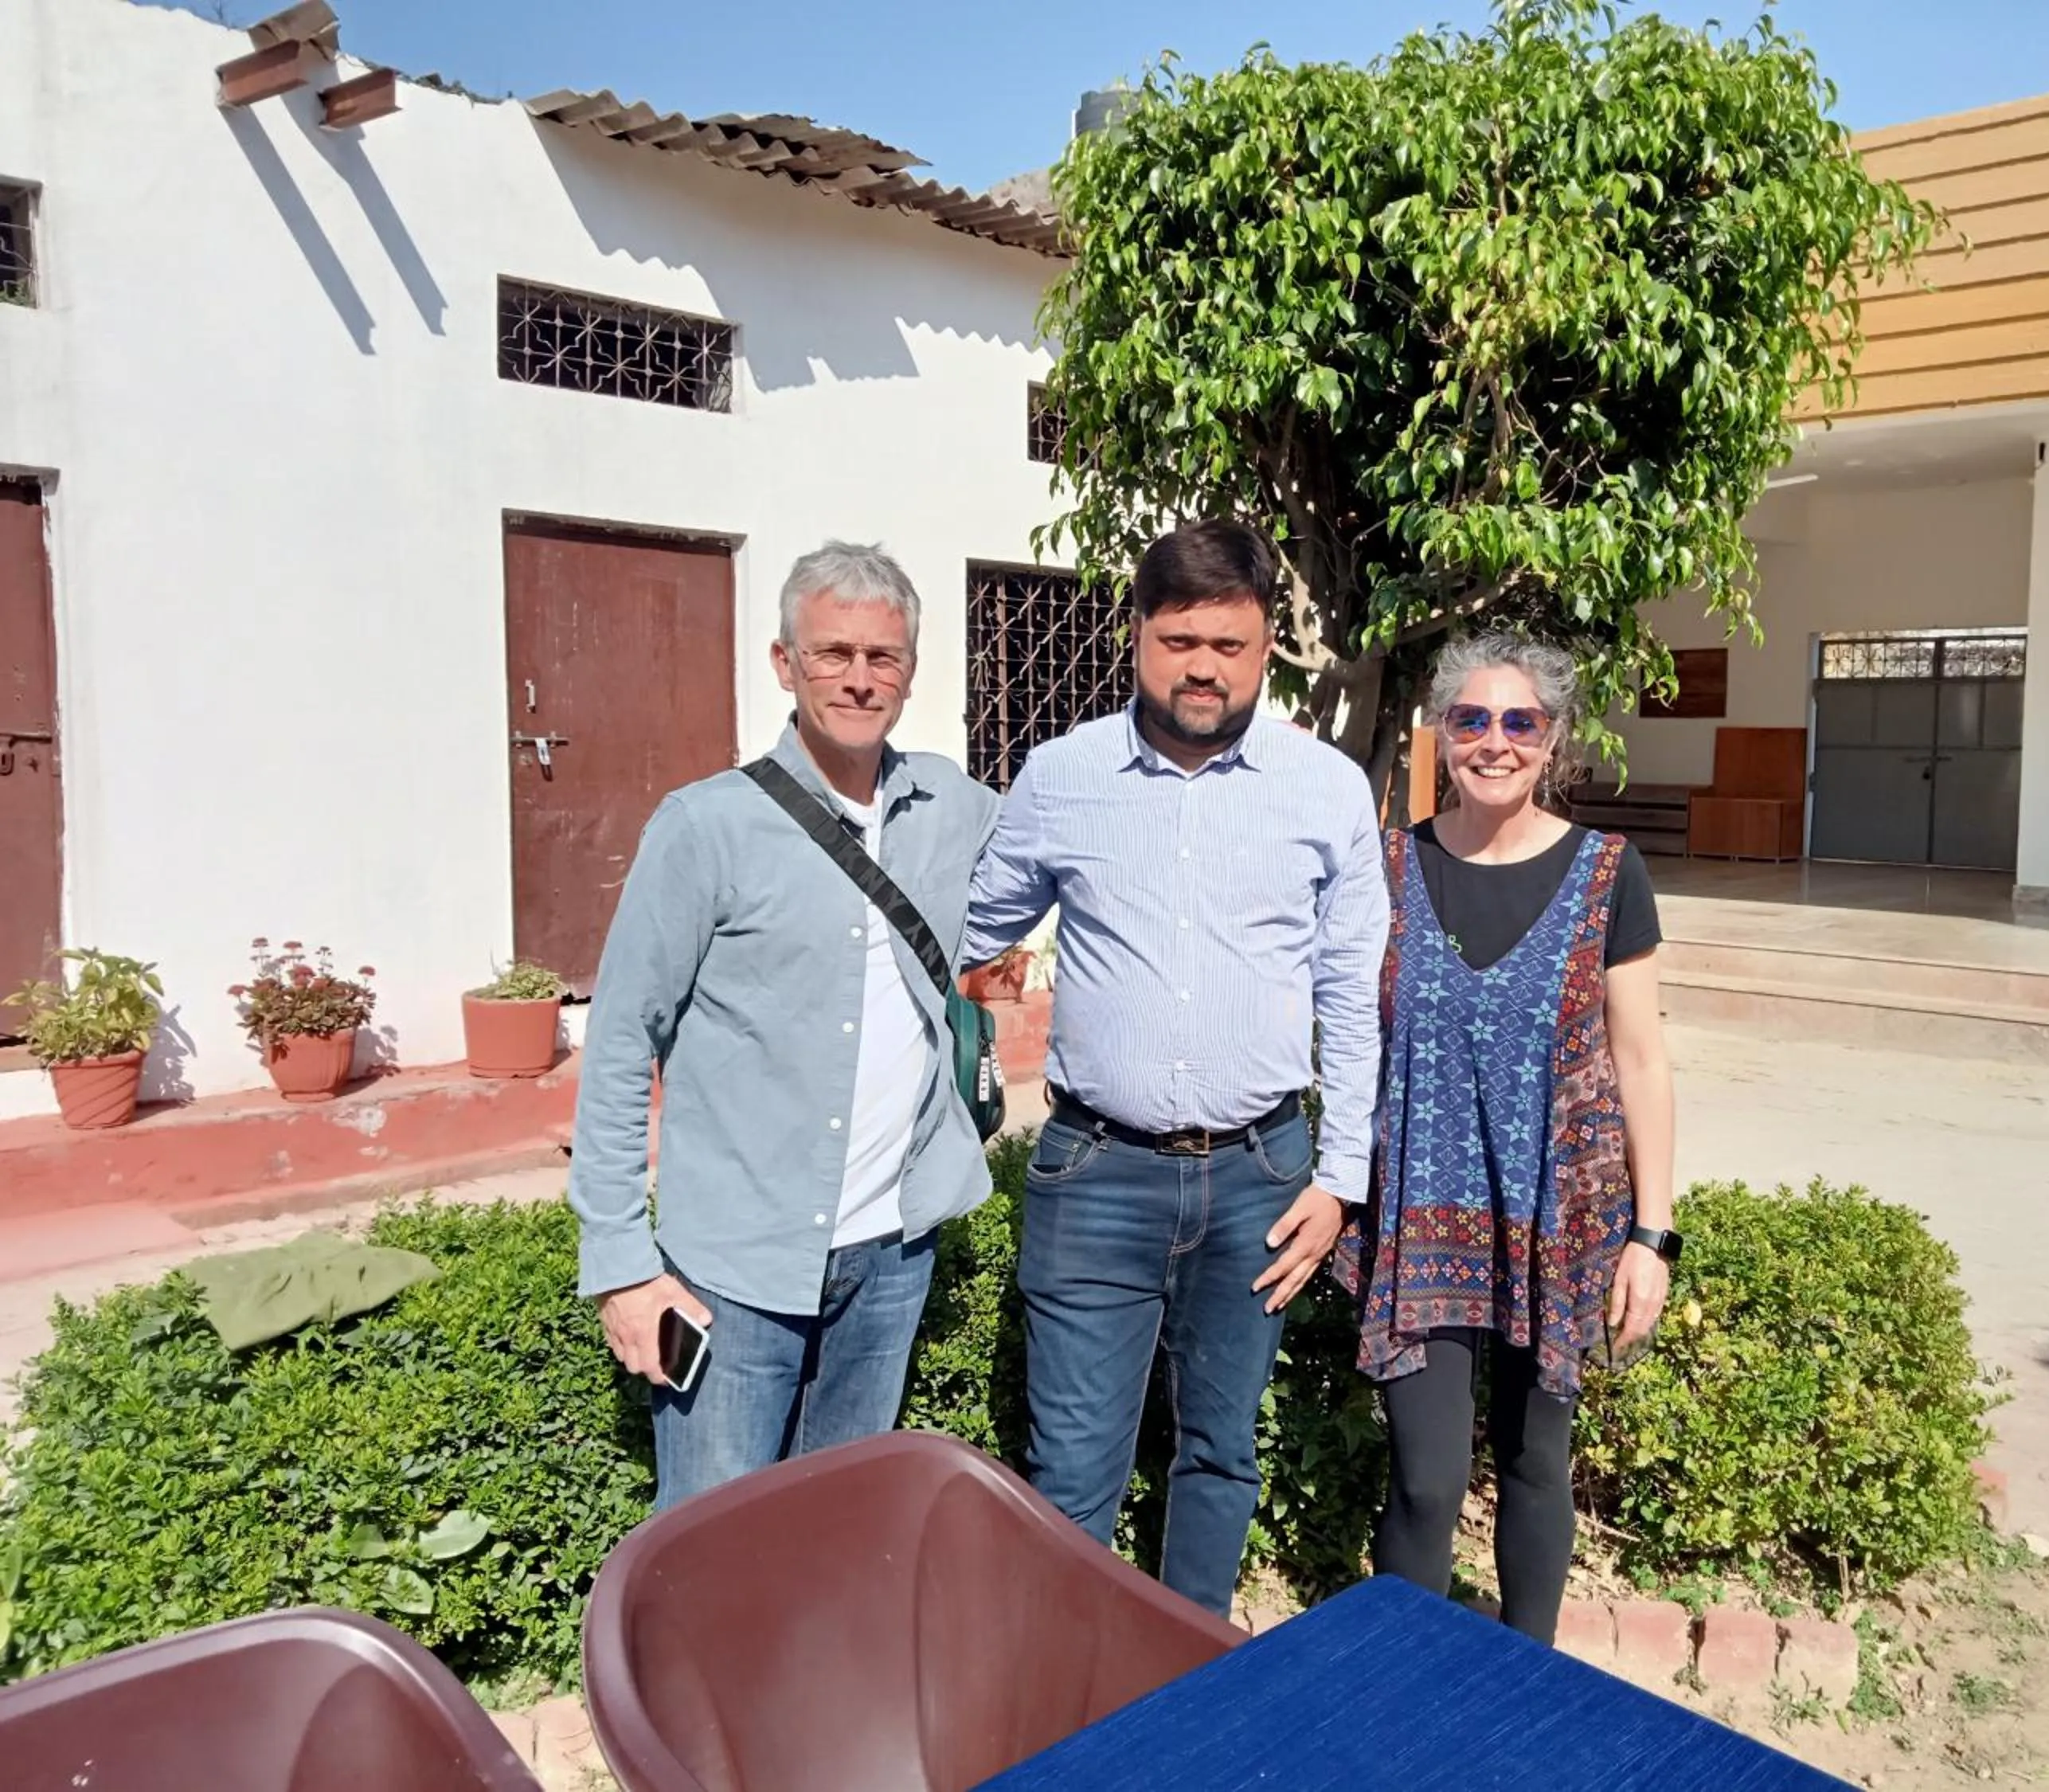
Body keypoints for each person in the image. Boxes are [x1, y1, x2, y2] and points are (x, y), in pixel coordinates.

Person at [965, 519, 1391, 1618]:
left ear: (1266, 647)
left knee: (1220, 1452)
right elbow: (973, 928)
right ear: (1138, 636)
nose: (1203, 667)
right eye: (1179, 640)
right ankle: (1069, 1690)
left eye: (1230, 645)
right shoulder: (1063, 777)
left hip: (1261, 1178)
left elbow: (1352, 995)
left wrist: (1340, 1178)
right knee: (1071, 1472)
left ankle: (1193, 1678)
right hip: (1096, 1174)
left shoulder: (1326, 789)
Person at [569, 541, 999, 1509]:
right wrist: (620, 1266)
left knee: (837, 1527)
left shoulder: (952, 807)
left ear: (911, 671)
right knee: (711, 1542)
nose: (859, 678)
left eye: (882, 657)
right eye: (832, 653)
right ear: (784, 663)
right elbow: (623, 1041)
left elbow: (1073, 842)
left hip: (892, 1254)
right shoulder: (705, 827)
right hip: (735, 1265)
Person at [1334, 631, 1678, 1646]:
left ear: (1554, 737)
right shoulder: (1390, 866)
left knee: (1536, 1464)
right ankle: (1406, 1686)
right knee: (1427, 1481)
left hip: (1554, 1226)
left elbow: (1641, 1061)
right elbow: (1341, 1028)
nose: (1496, 741)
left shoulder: (1609, 873)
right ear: (1442, 733)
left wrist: (1652, 1238)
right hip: (1419, 1222)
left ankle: (1529, 1681)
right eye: (1472, 719)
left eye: (1520, 721)